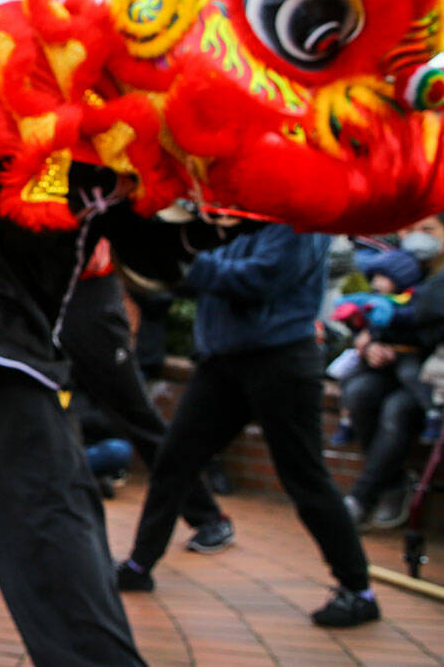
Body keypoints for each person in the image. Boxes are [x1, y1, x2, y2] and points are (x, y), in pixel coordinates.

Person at [0, 167, 239, 666]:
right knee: (52, 500)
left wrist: (217, 218)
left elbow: (144, 250)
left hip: (10, 330)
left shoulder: (107, 146)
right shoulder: (42, 119)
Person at [115, 223, 378, 628]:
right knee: (174, 461)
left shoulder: (301, 219)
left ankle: (359, 590)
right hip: (223, 362)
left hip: (281, 361)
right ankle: (138, 565)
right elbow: (208, 275)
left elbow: (259, 278)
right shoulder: (244, 216)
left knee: (304, 477)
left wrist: (181, 261)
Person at [59, 249, 233, 550]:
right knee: (15, 408)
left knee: (138, 417)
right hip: (43, 293)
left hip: (86, 295)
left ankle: (207, 516)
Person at [340, 213, 444, 529]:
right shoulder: (396, 269)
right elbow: (366, 310)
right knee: (359, 393)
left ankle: (362, 497)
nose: (417, 237)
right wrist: (369, 339)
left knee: (396, 410)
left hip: (429, 375)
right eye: (410, 229)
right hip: (391, 366)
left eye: (428, 229)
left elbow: (426, 327)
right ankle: (393, 483)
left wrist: (391, 333)